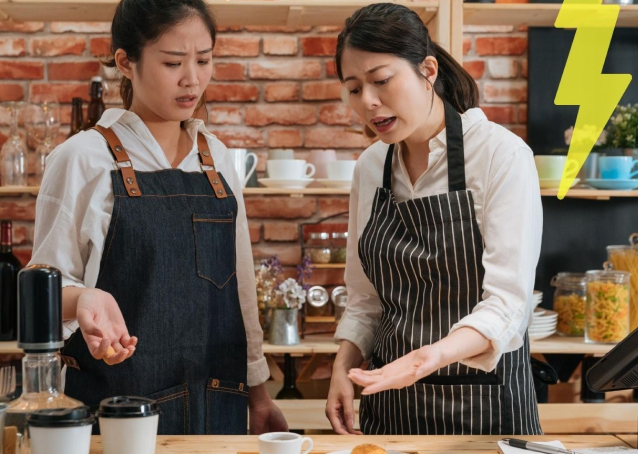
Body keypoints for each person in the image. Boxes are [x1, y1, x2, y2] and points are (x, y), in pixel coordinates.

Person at [29, 0, 287, 436]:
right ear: (126, 62)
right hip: (118, 417)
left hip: (218, 410)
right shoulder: (82, 159)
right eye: (172, 62)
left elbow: (241, 289)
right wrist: (83, 300)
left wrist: (259, 395)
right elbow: (42, 287)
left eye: (204, 60)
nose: (193, 79)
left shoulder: (217, 159)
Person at [326, 3, 543, 436]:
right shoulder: (371, 167)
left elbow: (507, 305)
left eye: (381, 81)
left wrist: (428, 358)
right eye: (353, 88)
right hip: (389, 403)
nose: (368, 102)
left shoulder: (501, 155)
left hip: (485, 405)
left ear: (428, 70)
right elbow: (366, 300)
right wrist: (342, 366)